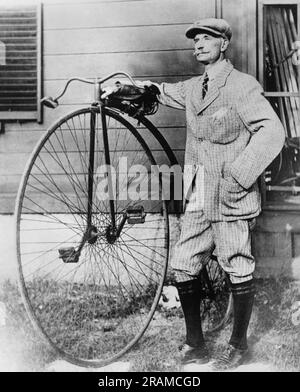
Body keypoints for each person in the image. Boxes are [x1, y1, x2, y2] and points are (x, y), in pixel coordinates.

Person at [101, 18, 285, 370]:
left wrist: (239, 174)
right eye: (195, 40)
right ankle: (196, 344)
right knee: (184, 264)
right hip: (200, 196)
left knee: (237, 265)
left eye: (207, 39)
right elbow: (161, 91)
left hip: (231, 195)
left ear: (223, 45)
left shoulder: (242, 87)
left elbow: (272, 131)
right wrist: (128, 86)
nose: (199, 45)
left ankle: (238, 344)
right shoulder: (193, 87)